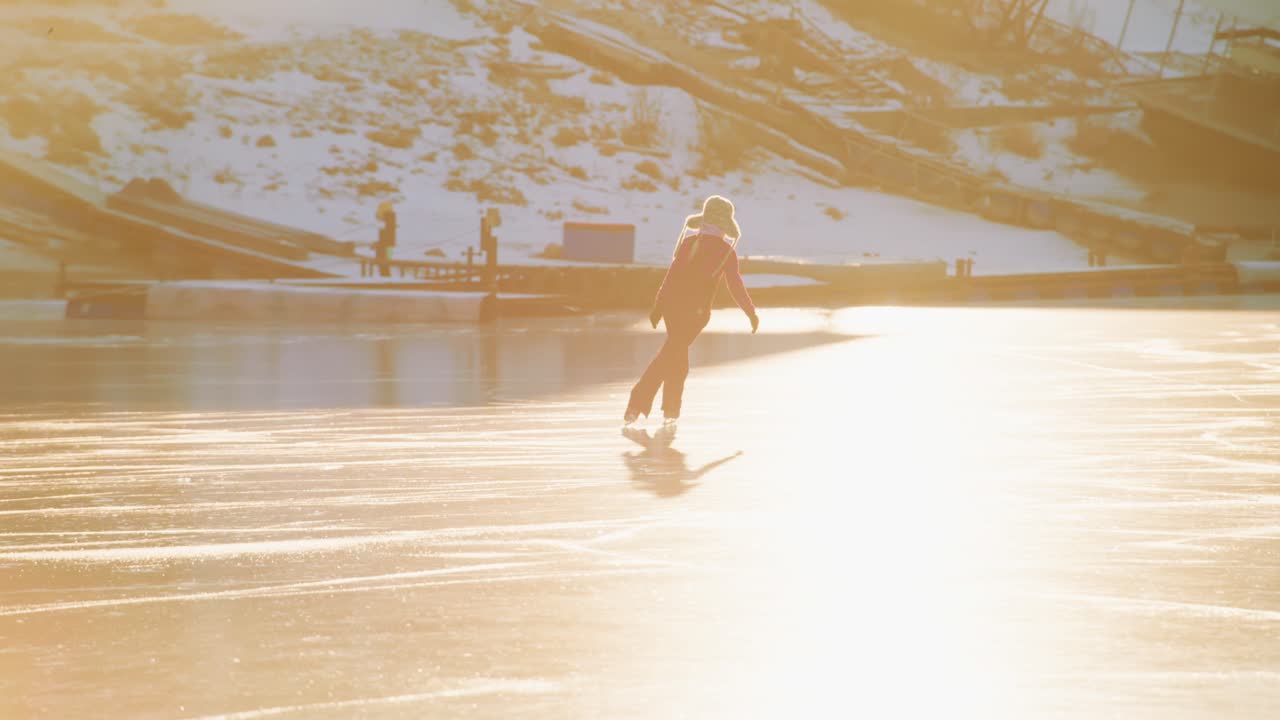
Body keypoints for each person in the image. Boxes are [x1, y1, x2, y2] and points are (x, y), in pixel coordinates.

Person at [624, 195, 758, 431]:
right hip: (696, 315)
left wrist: (659, 306)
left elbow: (671, 277)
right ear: (726, 223)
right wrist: (750, 312)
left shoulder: (689, 243)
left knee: (675, 355)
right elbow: (735, 286)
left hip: (673, 310)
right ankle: (640, 404)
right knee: (671, 355)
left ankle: (667, 409)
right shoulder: (725, 250)